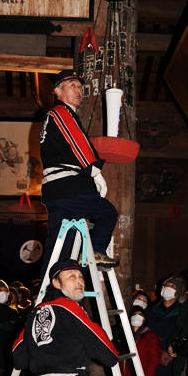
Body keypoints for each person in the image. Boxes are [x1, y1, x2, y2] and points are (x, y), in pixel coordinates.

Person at [12, 259, 118, 376]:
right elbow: (109, 355)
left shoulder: (35, 313)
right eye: (71, 276)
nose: (79, 280)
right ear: (55, 283)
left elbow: (18, 358)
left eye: (80, 276)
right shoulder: (71, 308)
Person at [39, 69, 119, 275]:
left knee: (59, 248)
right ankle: (97, 252)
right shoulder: (60, 112)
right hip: (69, 187)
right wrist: (95, 171)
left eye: (80, 86)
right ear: (57, 91)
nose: (78, 90)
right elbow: (79, 144)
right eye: (72, 85)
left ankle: (49, 288)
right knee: (108, 213)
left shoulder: (57, 116)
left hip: (56, 192)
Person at [148, 277, 183, 376]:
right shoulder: (152, 309)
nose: (167, 288)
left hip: (172, 359)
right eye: (166, 286)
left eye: (172, 287)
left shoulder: (182, 311)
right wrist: (158, 351)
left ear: (178, 292)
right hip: (153, 355)